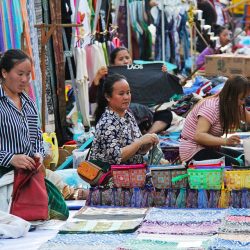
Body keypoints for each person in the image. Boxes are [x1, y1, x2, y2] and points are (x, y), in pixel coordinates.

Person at [89, 47, 172, 134]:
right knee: (130, 111)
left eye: (127, 58)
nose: (125, 61)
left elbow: (158, 92)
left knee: (166, 114)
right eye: (121, 59)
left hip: (141, 115)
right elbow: (92, 99)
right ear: (113, 64)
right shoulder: (108, 78)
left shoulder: (141, 74)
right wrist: (97, 79)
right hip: (120, 115)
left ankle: (147, 135)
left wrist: (161, 75)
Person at [180, 75, 250, 166]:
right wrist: (225, 141)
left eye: (245, 99)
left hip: (210, 148)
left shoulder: (235, 106)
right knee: (235, 165)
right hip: (193, 151)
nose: (243, 102)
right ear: (231, 96)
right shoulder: (211, 107)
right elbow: (199, 136)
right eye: (241, 99)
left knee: (245, 159)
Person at [89, 74, 159, 165]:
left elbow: (138, 150)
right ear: (108, 97)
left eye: (128, 92)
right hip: (111, 176)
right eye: (121, 94)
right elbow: (117, 157)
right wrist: (140, 141)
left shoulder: (128, 115)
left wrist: (148, 142)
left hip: (132, 173)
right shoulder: (106, 122)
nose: (126, 97)